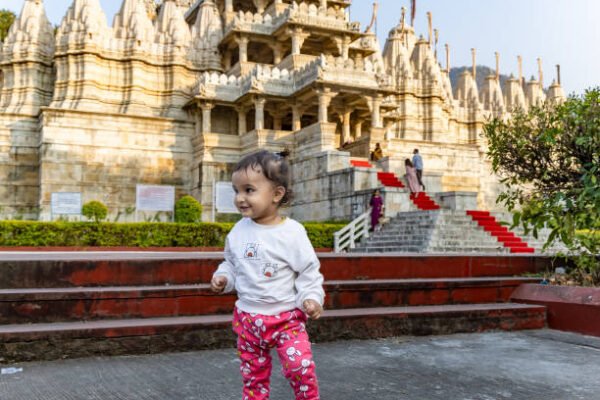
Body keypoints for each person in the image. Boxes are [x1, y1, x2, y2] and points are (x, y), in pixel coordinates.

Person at [211, 150, 324, 400]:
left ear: (276, 194)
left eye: (249, 190)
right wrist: (223, 278)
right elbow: (231, 263)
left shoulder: (292, 233)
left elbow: (308, 272)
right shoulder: (238, 231)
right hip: (248, 319)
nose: (240, 198)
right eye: (236, 190)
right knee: (253, 375)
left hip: (287, 319)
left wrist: (312, 297)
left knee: (299, 367)